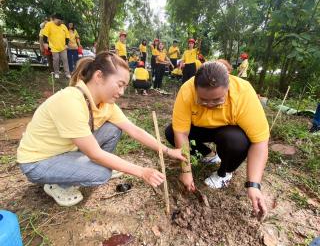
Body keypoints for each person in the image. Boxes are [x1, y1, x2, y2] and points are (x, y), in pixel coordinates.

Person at [17, 52, 185, 207]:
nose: (122, 92)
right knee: (101, 173)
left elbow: (135, 131)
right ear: (99, 76)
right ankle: (58, 185)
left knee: (113, 129)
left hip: (65, 149)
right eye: (120, 85)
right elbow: (95, 154)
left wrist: (168, 151)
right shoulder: (70, 101)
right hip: (38, 161)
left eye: (125, 86)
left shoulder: (106, 104)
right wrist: (142, 172)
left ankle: (83, 169)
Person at [165, 61, 269, 219]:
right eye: (203, 100)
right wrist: (186, 171)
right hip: (199, 126)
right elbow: (181, 133)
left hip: (227, 130)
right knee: (171, 132)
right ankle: (209, 155)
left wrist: (253, 185)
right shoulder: (186, 91)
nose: (209, 105)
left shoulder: (243, 92)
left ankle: (225, 172)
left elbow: (260, 142)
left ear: (228, 88)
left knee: (236, 141)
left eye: (216, 100)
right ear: (195, 89)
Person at [42, 13, 70, 79]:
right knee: (56, 60)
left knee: (65, 60)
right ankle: (56, 73)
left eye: (61, 21)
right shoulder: (49, 24)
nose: (60, 22)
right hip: (54, 47)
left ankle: (67, 74)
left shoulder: (63, 26)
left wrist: (66, 44)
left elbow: (67, 36)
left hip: (63, 47)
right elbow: (45, 34)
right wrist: (45, 43)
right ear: (54, 19)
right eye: (58, 21)